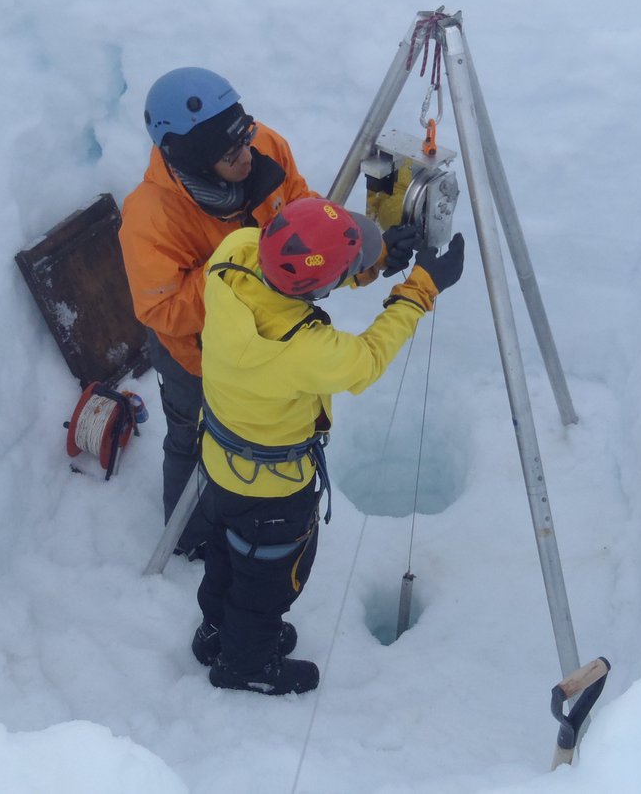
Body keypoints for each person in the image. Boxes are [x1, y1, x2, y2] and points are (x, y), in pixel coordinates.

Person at [118, 68, 419, 557]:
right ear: (193, 159)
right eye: (229, 152)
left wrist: (370, 257)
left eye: (245, 135)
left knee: (250, 443)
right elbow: (163, 308)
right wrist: (257, 267)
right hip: (195, 357)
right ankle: (189, 539)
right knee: (192, 437)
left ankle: (237, 517)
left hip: (269, 347)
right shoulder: (150, 216)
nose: (246, 154)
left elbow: (308, 224)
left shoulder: (265, 148)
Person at [190, 197, 465, 695]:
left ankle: (217, 632)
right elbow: (367, 358)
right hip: (271, 491)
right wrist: (419, 289)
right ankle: (245, 664)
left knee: (228, 552)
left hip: (219, 459)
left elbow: (293, 266)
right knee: (268, 578)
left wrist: (372, 259)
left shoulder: (234, 253)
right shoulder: (304, 350)